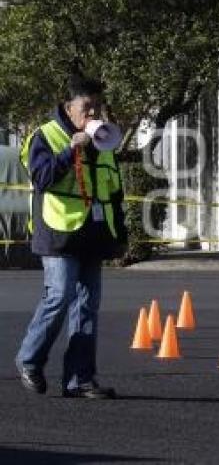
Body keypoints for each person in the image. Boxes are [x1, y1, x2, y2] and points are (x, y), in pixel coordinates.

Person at [15, 68, 127, 399]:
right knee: (59, 295)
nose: (93, 115)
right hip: (59, 230)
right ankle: (29, 359)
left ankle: (80, 379)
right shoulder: (45, 135)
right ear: (68, 106)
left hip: (93, 233)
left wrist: (119, 235)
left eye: (98, 108)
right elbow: (43, 177)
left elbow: (114, 192)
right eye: (87, 108)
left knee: (87, 305)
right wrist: (72, 150)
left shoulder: (104, 139)